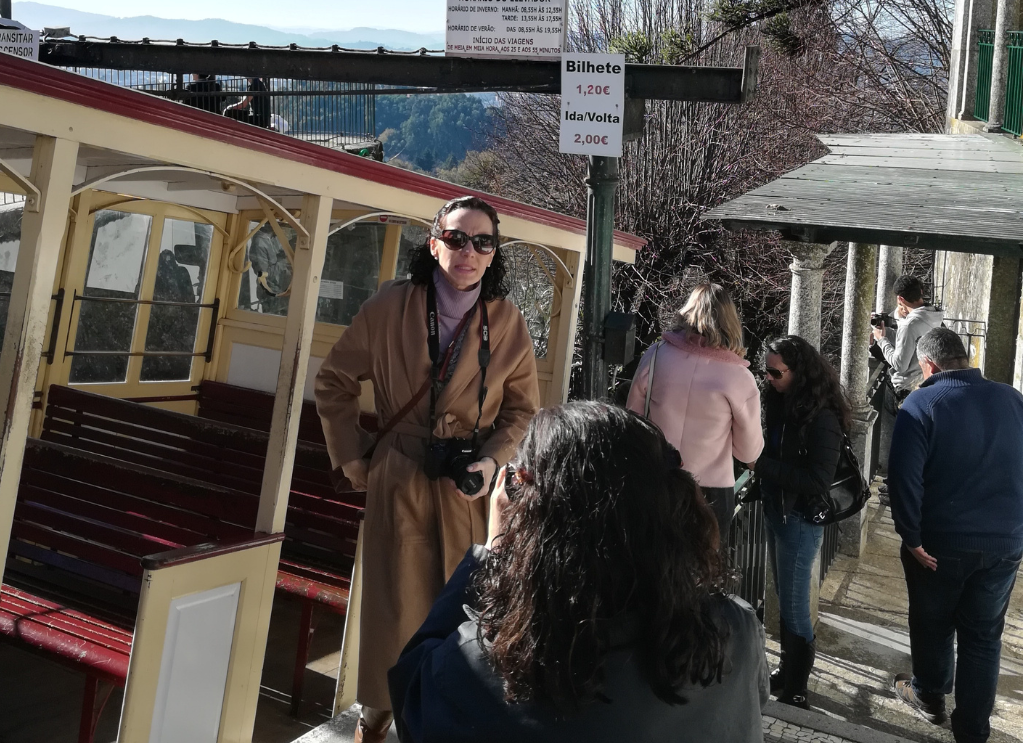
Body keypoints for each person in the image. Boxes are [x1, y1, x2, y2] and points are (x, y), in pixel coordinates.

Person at [389, 402, 769, 743]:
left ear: (534, 524)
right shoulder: (735, 630)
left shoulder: (486, 666)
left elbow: (413, 699)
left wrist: (492, 552)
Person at [314, 196, 540, 743]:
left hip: (468, 486)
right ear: (434, 242)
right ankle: (376, 719)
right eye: (457, 238)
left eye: (483, 241)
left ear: (494, 254)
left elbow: (522, 412)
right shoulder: (388, 307)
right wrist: (352, 458)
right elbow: (334, 382)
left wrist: (490, 460)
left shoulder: (507, 321)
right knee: (396, 613)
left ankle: (442, 720)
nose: (469, 251)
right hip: (399, 476)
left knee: (465, 611)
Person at [888, 327, 1023, 743]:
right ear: (965, 357)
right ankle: (973, 731)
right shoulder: (1014, 399)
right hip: (1005, 543)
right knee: (983, 638)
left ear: (928, 365)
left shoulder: (922, 401)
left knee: (932, 623)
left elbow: (903, 480)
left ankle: (929, 697)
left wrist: (911, 537)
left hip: (939, 543)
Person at [626, 282, 763, 545]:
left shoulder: (656, 355)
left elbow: (632, 419)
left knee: (653, 567)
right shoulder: (738, 378)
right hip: (710, 493)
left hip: (657, 479)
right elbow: (748, 453)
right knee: (701, 574)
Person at [754, 334, 849, 710]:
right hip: (778, 512)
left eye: (775, 373)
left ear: (799, 372)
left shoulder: (822, 416)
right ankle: (786, 671)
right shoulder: (781, 403)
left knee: (794, 606)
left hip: (800, 519)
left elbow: (816, 481)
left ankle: (797, 687)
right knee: (785, 597)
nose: (768, 379)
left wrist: (759, 466)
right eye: (765, 371)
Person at [871, 275, 943, 503]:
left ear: (901, 298)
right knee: (912, 443)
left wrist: (881, 339)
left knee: (901, 444)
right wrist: (900, 319)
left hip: (903, 389)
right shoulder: (933, 315)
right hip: (923, 384)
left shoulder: (910, 324)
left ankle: (896, 490)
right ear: (920, 292)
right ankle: (896, 486)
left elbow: (900, 363)